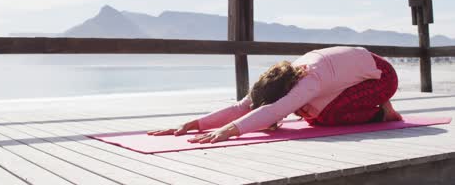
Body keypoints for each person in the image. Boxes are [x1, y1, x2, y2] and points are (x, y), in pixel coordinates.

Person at [148, 46, 402, 144]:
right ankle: (375, 105)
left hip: (383, 77)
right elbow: (244, 107)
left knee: (323, 116)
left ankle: (383, 112)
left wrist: (228, 131)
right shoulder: (285, 76)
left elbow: (273, 110)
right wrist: (192, 124)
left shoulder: (308, 82)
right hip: (361, 72)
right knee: (313, 112)